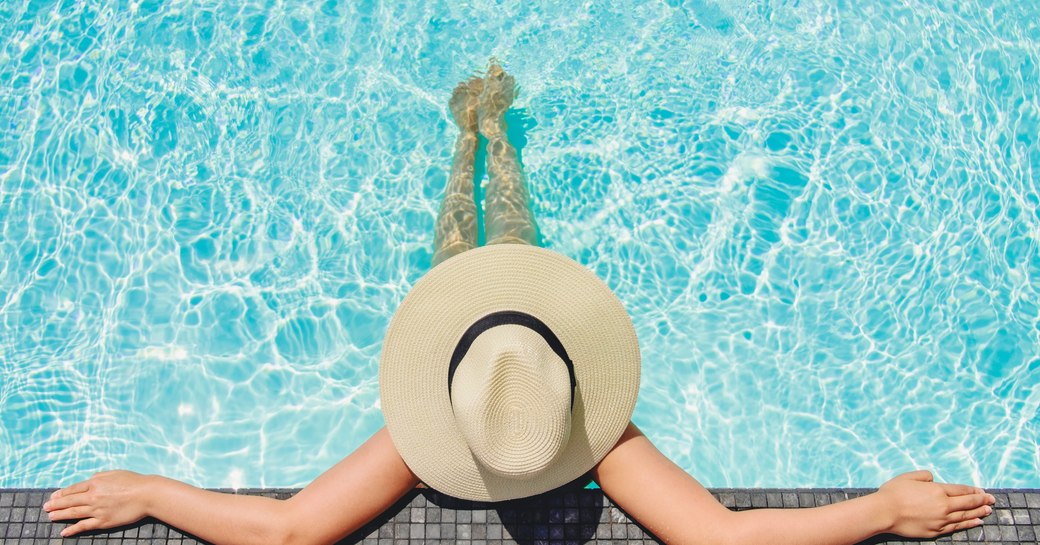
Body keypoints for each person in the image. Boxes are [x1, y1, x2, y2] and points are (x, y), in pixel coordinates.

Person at [43, 62, 995, 545]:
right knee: (504, 239)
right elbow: (720, 536)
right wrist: (881, 509)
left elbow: (290, 530)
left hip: (471, 339)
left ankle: (482, 137)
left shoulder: (427, 447)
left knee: (471, 241)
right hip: (491, 338)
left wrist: (155, 490)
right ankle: (486, 138)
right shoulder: (599, 435)